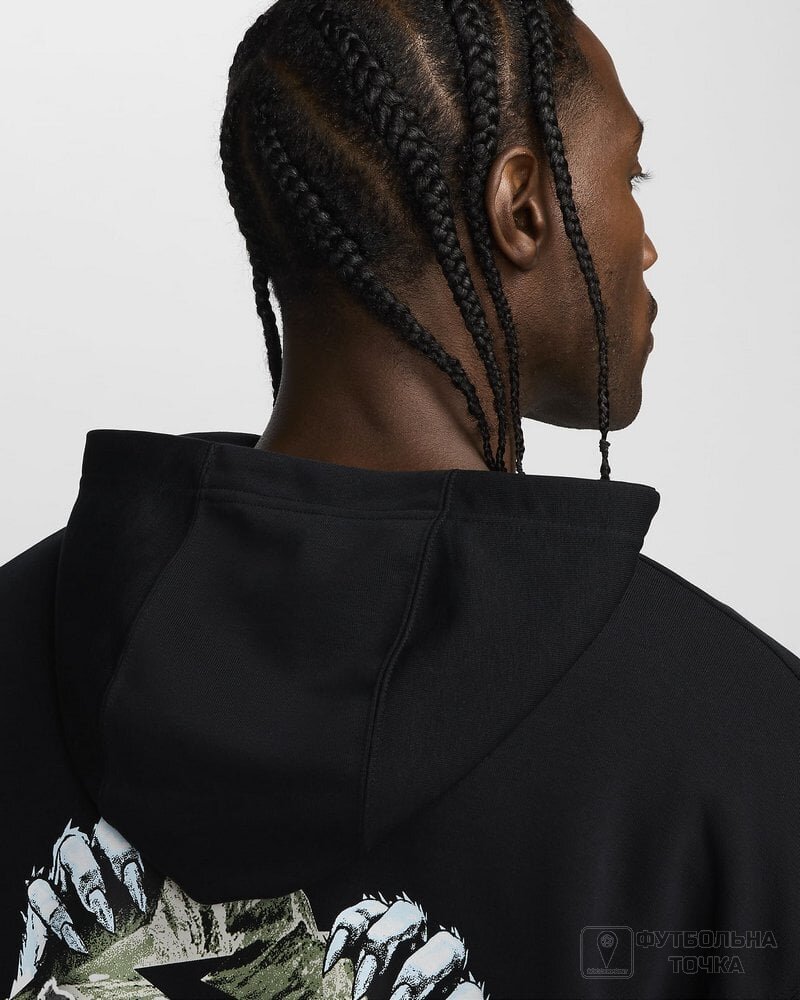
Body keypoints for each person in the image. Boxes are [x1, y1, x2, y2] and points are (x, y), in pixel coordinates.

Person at [0, 0, 797, 997]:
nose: (645, 245)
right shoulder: (745, 753)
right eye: (629, 177)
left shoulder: (17, 645)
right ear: (521, 208)